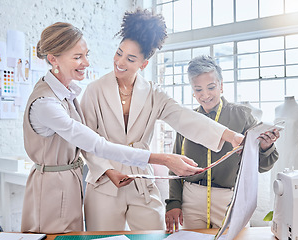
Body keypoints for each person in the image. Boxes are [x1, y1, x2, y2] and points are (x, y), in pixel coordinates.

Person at [21, 22, 202, 234]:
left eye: (86, 54)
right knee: (55, 237)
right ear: (53, 59)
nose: (86, 63)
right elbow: (96, 144)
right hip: (53, 187)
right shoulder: (47, 103)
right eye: (78, 57)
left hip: (72, 183)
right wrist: (162, 159)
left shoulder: (66, 93)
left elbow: (183, 116)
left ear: (143, 64)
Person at [80, 9, 244, 231]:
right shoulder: (94, 90)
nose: (120, 62)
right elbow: (86, 141)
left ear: (144, 64)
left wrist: (230, 135)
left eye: (130, 59)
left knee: (155, 235)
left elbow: (185, 117)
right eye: (119, 53)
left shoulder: (153, 94)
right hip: (104, 182)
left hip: (141, 182)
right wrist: (108, 171)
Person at [165, 55, 280, 232]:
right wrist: (173, 202)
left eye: (211, 87)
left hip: (229, 199)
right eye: (198, 90)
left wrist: (265, 147)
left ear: (221, 86)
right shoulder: (187, 121)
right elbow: (175, 166)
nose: (205, 95)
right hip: (191, 199)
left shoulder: (242, 116)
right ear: (193, 92)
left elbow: (263, 166)